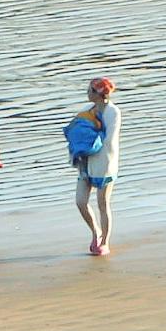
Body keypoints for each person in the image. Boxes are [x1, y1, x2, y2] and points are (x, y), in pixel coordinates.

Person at [68, 76, 120, 256]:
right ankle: (95, 231)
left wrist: (90, 141)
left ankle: (105, 241)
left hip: (104, 164)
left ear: (99, 94)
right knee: (80, 201)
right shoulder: (86, 110)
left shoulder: (113, 112)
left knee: (103, 203)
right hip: (85, 163)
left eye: (90, 90)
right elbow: (76, 131)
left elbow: (109, 140)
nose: (87, 92)